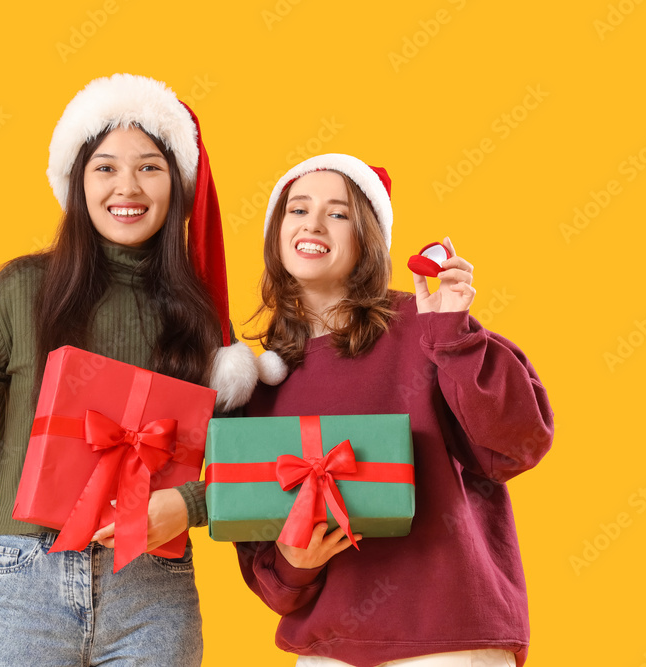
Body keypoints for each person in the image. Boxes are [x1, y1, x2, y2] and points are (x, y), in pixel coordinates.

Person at [0, 73, 256, 666]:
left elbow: (242, 462)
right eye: (105, 167)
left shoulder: (197, 315)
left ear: (177, 187)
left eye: (149, 167)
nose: (127, 187)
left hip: (152, 594)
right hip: (26, 588)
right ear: (77, 180)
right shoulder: (22, 290)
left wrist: (188, 506)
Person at [236, 154, 554, 667]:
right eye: (298, 209)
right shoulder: (260, 382)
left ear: (368, 239)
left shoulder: (426, 323)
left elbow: (516, 445)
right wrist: (294, 564)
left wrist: (455, 336)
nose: (313, 223)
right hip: (327, 650)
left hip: (448, 639)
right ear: (277, 233)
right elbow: (269, 575)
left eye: (338, 213)